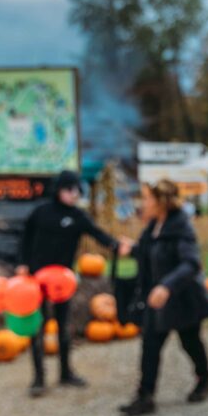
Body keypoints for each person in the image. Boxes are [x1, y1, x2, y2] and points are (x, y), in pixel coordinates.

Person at [18, 170, 121, 397]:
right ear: (59, 190)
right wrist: (23, 264)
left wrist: (116, 245)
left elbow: (98, 234)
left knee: (64, 327)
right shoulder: (41, 212)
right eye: (70, 190)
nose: (74, 194)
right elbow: (24, 238)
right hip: (36, 279)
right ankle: (38, 378)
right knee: (38, 328)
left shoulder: (78, 216)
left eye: (77, 190)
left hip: (62, 282)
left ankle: (65, 373)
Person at [118, 179, 208, 416]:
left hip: (181, 298)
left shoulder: (181, 226)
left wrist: (167, 287)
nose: (144, 203)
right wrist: (133, 249)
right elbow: (149, 251)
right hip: (156, 299)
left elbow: (191, 263)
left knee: (190, 342)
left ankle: (204, 380)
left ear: (161, 202)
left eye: (148, 198)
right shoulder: (153, 227)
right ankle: (145, 396)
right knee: (150, 345)